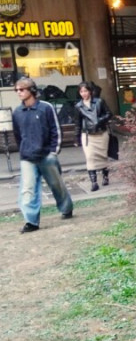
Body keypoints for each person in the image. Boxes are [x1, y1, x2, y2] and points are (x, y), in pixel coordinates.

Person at [12, 77, 74, 233]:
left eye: (22, 89)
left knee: (56, 184)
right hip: (27, 157)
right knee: (27, 189)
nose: (18, 92)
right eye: (16, 90)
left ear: (32, 90)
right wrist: (23, 150)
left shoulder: (46, 107)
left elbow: (56, 130)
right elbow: (17, 135)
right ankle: (31, 221)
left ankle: (66, 208)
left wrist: (53, 151)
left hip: (46, 155)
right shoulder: (17, 112)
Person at [73, 81, 113, 191]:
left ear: (90, 91)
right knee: (90, 157)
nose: (84, 93)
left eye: (85, 91)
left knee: (103, 156)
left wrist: (99, 120)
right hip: (87, 135)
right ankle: (94, 182)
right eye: (81, 91)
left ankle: (105, 177)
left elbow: (109, 114)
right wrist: (76, 138)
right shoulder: (78, 106)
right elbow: (77, 124)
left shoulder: (99, 101)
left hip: (101, 133)